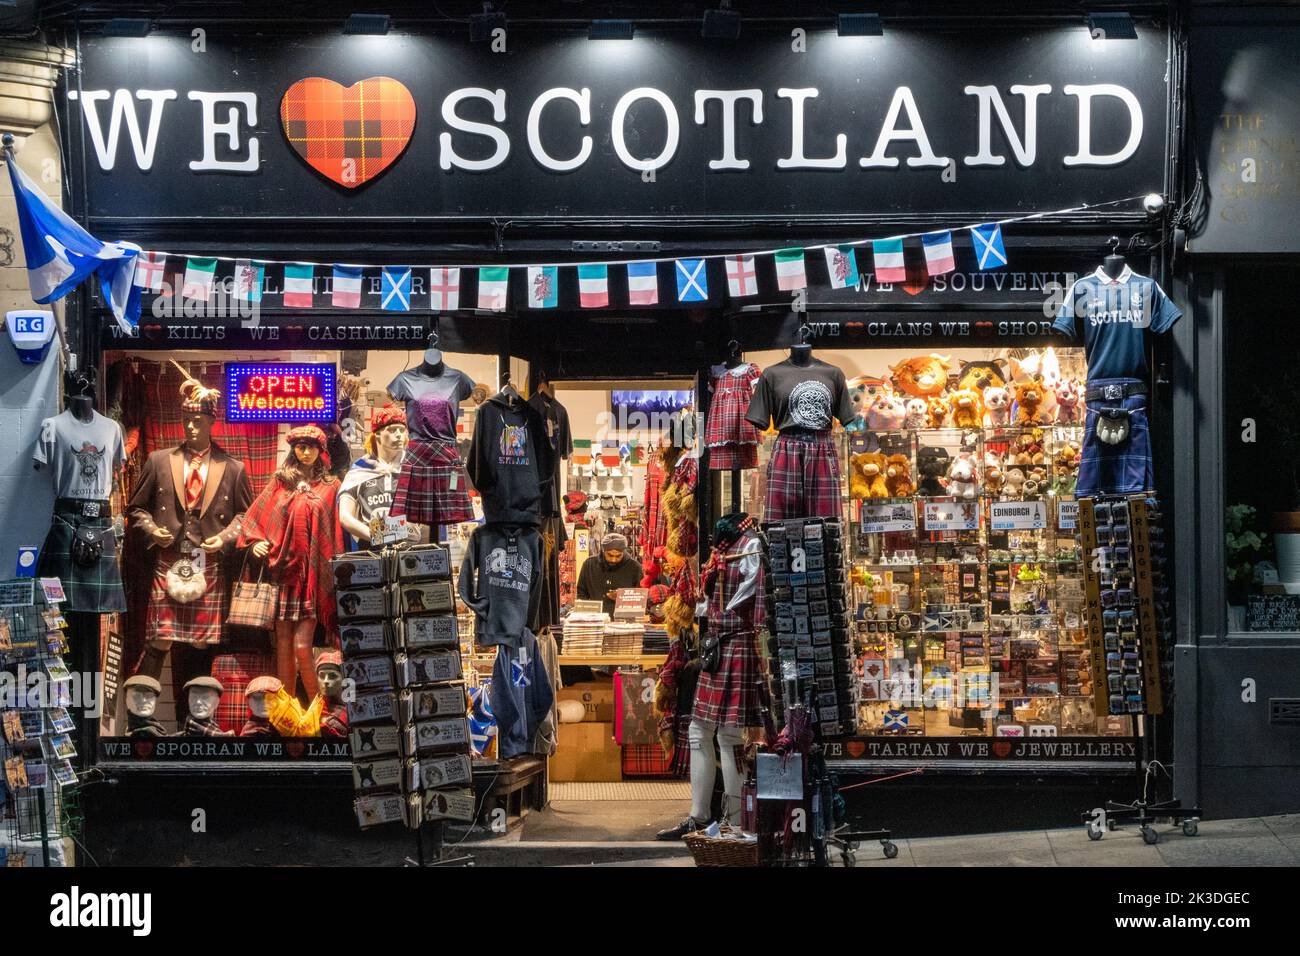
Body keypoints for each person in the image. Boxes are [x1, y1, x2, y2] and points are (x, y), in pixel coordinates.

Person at [575, 532, 643, 615]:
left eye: (618, 556)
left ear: (623, 551)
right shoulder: (589, 565)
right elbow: (581, 593)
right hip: (595, 618)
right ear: (603, 550)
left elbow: (641, 597)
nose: (613, 559)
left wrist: (623, 598)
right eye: (610, 555)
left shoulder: (635, 567)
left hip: (625, 621)